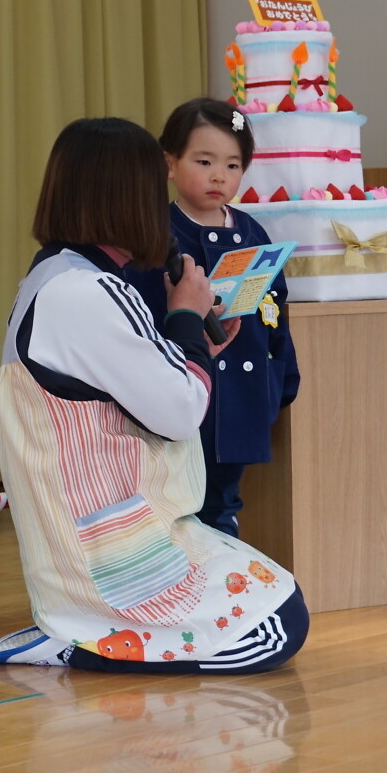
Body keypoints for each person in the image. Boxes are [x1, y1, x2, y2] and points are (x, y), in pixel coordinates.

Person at [0, 118, 307, 673]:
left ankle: (76, 627)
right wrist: (186, 316)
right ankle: (83, 639)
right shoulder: (86, 291)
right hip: (110, 543)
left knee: (275, 596)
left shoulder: (57, 275)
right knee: (277, 626)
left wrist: (196, 340)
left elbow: (149, 379)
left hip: (99, 526)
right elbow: (180, 412)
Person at [127, 97, 301, 537]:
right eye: (204, 162)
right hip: (183, 397)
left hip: (241, 395)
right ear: (170, 163)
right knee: (177, 503)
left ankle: (224, 573)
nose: (219, 176)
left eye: (233, 165)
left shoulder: (252, 231)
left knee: (224, 501)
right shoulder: (155, 232)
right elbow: (138, 317)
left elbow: (274, 311)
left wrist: (281, 376)